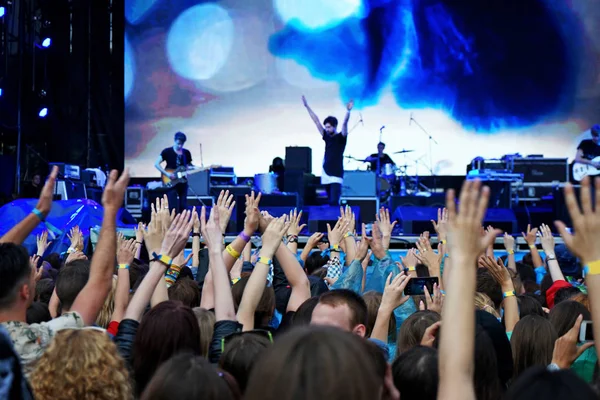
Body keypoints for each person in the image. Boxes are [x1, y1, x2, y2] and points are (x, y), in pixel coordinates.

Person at [302, 95, 354, 206]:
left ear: (335, 126)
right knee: (325, 201)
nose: (327, 129)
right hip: (325, 172)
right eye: (326, 127)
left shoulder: (341, 138)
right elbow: (316, 121)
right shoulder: (326, 137)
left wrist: (348, 111)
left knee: (334, 202)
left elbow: (345, 124)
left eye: (329, 127)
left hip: (336, 173)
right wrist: (307, 106)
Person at [155, 132, 194, 212]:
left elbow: (188, 166)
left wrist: (198, 169)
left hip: (182, 182)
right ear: (174, 140)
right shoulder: (167, 151)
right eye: (178, 143)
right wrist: (167, 174)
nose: (180, 146)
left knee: (183, 206)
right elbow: (156, 164)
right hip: (170, 181)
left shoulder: (186, 153)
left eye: (182, 144)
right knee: (172, 206)